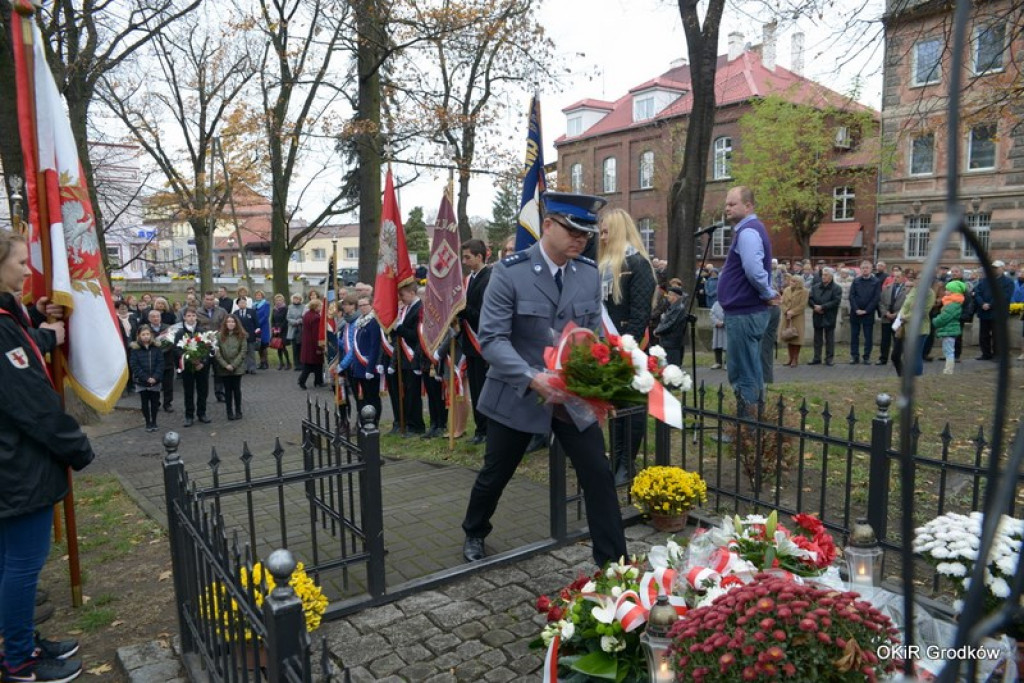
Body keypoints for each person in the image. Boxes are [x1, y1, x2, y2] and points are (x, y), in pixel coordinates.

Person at [461, 191, 627, 568]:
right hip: (518, 393)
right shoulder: (509, 273)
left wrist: (600, 381)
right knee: (496, 473)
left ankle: (614, 564)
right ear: (548, 226)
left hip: (570, 395)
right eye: (572, 231)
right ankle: (474, 529)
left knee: (598, 474)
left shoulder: (586, 275)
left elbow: (590, 337)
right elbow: (492, 340)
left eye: (586, 234)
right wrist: (532, 378)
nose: (580, 240)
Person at [0, 233, 89, 683]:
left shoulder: (6, 320)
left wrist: (39, 325)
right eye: (19, 262)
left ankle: (21, 640)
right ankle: (19, 660)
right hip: (15, 467)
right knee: (21, 566)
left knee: (9, 562)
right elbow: (32, 403)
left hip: (12, 464)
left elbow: (19, 343)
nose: (24, 272)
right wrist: (76, 446)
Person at [598, 208, 657, 486]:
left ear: (619, 230)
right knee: (615, 405)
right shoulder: (604, 266)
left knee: (631, 405)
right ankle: (616, 459)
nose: (601, 236)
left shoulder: (638, 264)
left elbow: (640, 314)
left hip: (629, 345)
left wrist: (627, 348)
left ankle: (627, 463)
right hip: (607, 345)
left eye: (606, 231)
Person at [717, 186, 779, 411]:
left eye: (732, 204)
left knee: (744, 371)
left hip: (745, 313)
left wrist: (767, 292)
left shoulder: (748, 231)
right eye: (726, 204)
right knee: (748, 367)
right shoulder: (748, 230)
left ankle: (748, 429)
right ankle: (751, 426)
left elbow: (753, 269)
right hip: (744, 311)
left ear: (748, 205)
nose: (727, 208)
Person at [458, 239, 492, 445]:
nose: (464, 261)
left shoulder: (489, 278)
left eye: (468, 257)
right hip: (470, 343)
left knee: (485, 389)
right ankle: (480, 428)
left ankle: (487, 429)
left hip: (483, 341)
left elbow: (483, 315)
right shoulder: (468, 279)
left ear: (480, 257)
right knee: (476, 389)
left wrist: (462, 309)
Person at [392, 284, 426, 436]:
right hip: (404, 358)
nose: (401, 299)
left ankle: (416, 425)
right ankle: (407, 422)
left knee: (413, 394)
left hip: (413, 356)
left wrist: (400, 328)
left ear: (412, 293)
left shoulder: (419, 308)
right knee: (407, 392)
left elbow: (416, 335)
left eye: (403, 295)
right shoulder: (407, 308)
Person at [892, 269, 936, 377]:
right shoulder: (914, 290)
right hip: (905, 328)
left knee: (915, 355)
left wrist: (906, 317)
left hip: (919, 329)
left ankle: (917, 377)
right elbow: (905, 305)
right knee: (899, 355)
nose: (918, 281)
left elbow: (923, 311)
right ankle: (904, 376)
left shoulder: (929, 293)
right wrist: (901, 316)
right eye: (917, 279)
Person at [174, 308, 213, 427]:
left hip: (201, 367)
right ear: (184, 317)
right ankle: (189, 415)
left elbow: (208, 349)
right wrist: (188, 359)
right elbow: (177, 349)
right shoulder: (180, 333)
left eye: (193, 315)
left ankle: (202, 413)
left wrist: (202, 362)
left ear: (196, 317)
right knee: (189, 391)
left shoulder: (202, 331)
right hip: (188, 367)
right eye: (188, 316)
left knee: (203, 390)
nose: (191, 318)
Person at [346, 296, 383, 421]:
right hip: (359, 366)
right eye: (360, 305)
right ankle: (365, 419)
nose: (362, 308)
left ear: (371, 305)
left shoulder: (373, 322)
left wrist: (370, 368)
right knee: (364, 396)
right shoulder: (360, 321)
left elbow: (375, 346)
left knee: (373, 396)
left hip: (369, 366)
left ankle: (375, 420)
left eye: (364, 305)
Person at [973, 260, 1014, 360]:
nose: (994, 270)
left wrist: (990, 304)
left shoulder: (1008, 282)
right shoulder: (984, 280)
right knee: (984, 335)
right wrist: (982, 303)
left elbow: (1004, 296)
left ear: (1003, 268)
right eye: (993, 268)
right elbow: (977, 292)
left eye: (996, 268)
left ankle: (998, 355)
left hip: (998, 312)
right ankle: (986, 354)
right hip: (984, 312)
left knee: (997, 335)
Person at [129, 324, 163, 432]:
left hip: (155, 380)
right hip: (142, 381)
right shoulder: (135, 349)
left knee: (154, 401)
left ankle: (154, 421)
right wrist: (146, 377)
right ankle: (148, 422)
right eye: (143, 334)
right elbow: (134, 365)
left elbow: (160, 363)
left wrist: (155, 377)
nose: (146, 336)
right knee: (144, 402)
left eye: (148, 334)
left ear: (151, 335)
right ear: (139, 336)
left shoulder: (156, 348)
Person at [214, 314, 248, 420]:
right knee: (227, 390)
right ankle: (229, 411)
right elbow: (217, 352)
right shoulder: (219, 336)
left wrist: (234, 365)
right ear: (225, 323)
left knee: (236, 389)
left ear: (236, 323)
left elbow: (243, 351)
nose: (231, 324)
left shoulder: (241, 335)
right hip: (224, 367)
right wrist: (225, 365)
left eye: (233, 322)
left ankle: (238, 410)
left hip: (237, 367)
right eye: (228, 322)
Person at [196, 292, 227, 402]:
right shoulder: (197, 312)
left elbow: (226, 326)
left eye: (211, 299)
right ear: (203, 300)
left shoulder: (221, 311)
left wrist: (219, 335)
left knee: (219, 370)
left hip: (218, 345)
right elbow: (195, 328)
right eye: (207, 299)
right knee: (204, 371)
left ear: (215, 300)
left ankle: (220, 393)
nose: (209, 301)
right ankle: (203, 394)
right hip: (203, 346)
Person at [848, 260, 881, 364]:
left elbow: (876, 298)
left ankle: (866, 357)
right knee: (854, 336)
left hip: (868, 313)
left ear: (871, 269)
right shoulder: (856, 280)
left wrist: (866, 310)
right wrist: (856, 309)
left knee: (868, 336)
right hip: (855, 313)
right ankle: (854, 356)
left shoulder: (876, 281)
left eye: (867, 268)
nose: (864, 270)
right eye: (862, 268)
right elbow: (851, 296)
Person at [807, 267, 842, 366]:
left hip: (829, 315)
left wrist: (823, 307)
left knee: (829, 338)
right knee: (817, 338)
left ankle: (829, 358)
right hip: (817, 315)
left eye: (826, 275)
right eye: (823, 275)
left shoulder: (837, 288)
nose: (823, 277)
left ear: (831, 276)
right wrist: (814, 306)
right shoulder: (815, 287)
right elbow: (810, 299)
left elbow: (836, 301)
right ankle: (816, 357)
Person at [145, 309, 176, 413]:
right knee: (154, 384)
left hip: (167, 360)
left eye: (157, 316)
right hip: (153, 362)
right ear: (149, 318)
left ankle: (167, 404)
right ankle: (155, 403)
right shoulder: (145, 329)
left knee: (168, 385)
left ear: (160, 317)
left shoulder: (167, 328)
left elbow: (172, 342)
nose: (155, 318)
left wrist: (162, 350)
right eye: (153, 316)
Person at [933, 280, 965, 375]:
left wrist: (935, 321)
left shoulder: (953, 305)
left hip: (949, 330)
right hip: (948, 329)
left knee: (949, 351)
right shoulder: (952, 303)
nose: (945, 292)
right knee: (947, 350)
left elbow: (945, 317)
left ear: (953, 291)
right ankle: (948, 369)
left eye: (947, 290)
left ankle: (948, 370)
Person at [876, 266, 906, 366]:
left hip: (898, 319)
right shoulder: (887, 288)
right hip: (886, 318)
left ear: (903, 277)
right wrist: (886, 313)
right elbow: (881, 302)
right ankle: (883, 358)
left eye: (898, 277)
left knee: (897, 340)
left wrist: (896, 314)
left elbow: (906, 305)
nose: (896, 278)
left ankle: (896, 358)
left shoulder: (907, 289)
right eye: (894, 277)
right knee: (885, 340)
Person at [779, 275, 808, 368]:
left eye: (794, 281)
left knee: (796, 338)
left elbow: (803, 305)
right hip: (786, 317)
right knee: (788, 337)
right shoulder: (786, 290)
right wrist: (786, 311)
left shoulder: (804, 291)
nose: (791, 282)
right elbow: (782, 302)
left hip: (797, 317)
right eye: (791, 281)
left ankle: (795, 359)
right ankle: (790, 358)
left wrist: (793, 311)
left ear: (799, 282)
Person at [654, 286, 687, 366]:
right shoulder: (672, 307)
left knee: (672, 367)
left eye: (670, 294)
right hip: (667, 342)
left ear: (675, 296)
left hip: (672, 342)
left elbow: (671, 324)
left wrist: (658, 331)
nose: (668, 296)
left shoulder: (679, 308)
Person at [298, 300, 325, 390]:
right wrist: (319, 347)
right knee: (310, 365)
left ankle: (318, 381)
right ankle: (302, 380)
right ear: (316, 307)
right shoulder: (316, 318)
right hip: (313, 344)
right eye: (320, 306)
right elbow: (316, 334)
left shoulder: (307, 315)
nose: (321, 308)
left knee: (317, 364)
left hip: (307, 343)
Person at [232, 297, 260, 374]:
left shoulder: (252, 312)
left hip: (251, 335)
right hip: (239, 336)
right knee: (242, 352)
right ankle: (243, 368)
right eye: (240, 303)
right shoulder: (235, 313)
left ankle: (252, 368)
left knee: (251, 353)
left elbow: (256, 324)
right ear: (238, 304)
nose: (242, 304)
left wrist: (258, 335)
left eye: (244, 302)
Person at [271, 293, 292, 370]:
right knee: (278, 347)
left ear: (283, 300)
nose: (278, 301)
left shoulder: (285, 308)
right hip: (276, 329)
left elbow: (285, 320)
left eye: (280, 300)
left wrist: (280, 329)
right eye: (277, 300)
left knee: (283, 346)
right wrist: (274, 328)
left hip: (283, 329)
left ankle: (288, 362)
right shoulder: (274, 309)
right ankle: (281, 363)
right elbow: (272, 319)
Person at [252, 290, 272, 370]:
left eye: (259, 295)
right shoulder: (254, 305)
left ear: (262, 296)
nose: (258, 296)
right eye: (256, 295)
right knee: (259, 345)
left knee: (264, 345)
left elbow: (266, 315)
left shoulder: (266, 304)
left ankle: (265, 363)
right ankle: (261, 362)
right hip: (256, 327)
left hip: (263, 327)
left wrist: (258, 323)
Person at [286, 293, 304, 371]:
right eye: (294, 298)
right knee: (295, 349)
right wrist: (295, 322)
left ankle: (302, 364)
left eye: (297, 299)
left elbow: (304, 316)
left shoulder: (304, 307)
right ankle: (296, 365)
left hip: (301, 329)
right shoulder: (290, 307)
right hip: (293, 329)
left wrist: (299, 321)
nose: (296, 300)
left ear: (300, 299)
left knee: (301, 348)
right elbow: (288, 317)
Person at [710, 300, 727, 369]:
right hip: (717, 328)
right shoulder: (716, 303)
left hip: (726, 328)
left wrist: (723, 322)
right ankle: (718, 362)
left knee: (727, 346)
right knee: (717, 345)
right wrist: (716, 322)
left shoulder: (730, 301)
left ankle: (727, 363)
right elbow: (711, 314)